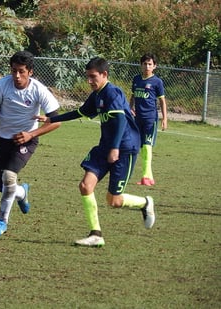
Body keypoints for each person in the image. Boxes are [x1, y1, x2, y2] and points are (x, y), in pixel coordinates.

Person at [35, 57, 155, 247]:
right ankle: (96, 234)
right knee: (85, 186)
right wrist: (52, 119)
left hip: (124, 148)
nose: (89, 81)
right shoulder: (96, 95)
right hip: (105, 146)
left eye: (93, 77)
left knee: (113, 201)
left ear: (104, 74)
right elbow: (80, 113)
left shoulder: (112, 93)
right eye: (87, 77)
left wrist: (115, 147)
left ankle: (145, 203)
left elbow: (121, 121)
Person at [0, 50, 61, 236]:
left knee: (9, 177)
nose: (17, 76)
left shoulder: (39, 90)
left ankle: (2, 222)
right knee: (3, 188)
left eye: (21, 71)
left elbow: (57, 121)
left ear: (30, 72)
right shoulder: (2, 85)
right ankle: (22, 193)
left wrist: (31, 134)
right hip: (3, 140)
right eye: (14, 71)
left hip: (27, 140)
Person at [130, 53, 167, 186]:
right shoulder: (136, 79)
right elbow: (133, 96)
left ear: (154, 66)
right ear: (141, 65)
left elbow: (162, 101)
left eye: (150, 64)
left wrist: (164, 119)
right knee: (138, 146)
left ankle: (146, 176)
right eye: (145, 64)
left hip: (150, 118)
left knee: (147, 146)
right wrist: (130, 108)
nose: (147, 66)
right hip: (137, 118)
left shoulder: (157, 82)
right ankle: (148, 177)